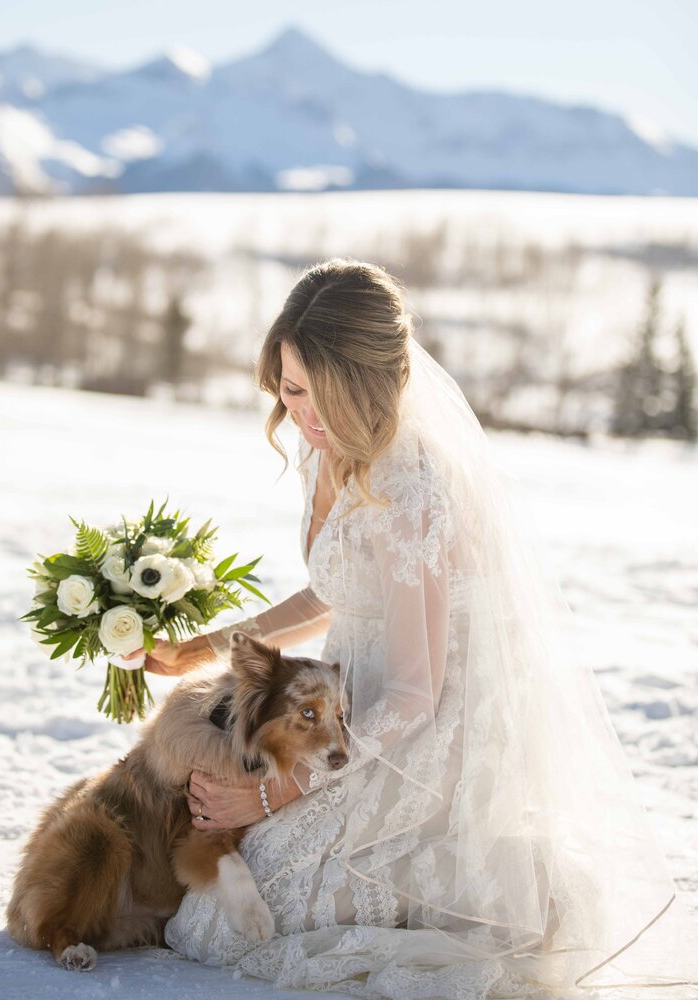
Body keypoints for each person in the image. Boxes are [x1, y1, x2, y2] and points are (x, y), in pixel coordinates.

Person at [126, 259, 697, 998]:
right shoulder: (327, 444)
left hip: (420, 733)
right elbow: (334, 592)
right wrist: (203, 648)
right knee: (210, 903)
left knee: (233, 920)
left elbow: (416, 693)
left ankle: (477, 872)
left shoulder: (411, 486)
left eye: (305, 392)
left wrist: (274, 795)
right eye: (285, 390)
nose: (293, 411)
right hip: (349, 706)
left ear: (357, 387)